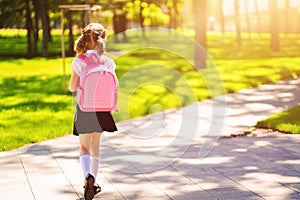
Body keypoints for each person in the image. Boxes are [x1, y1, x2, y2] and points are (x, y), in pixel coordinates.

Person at [69, 23, 118, 200]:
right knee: (96, 146)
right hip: (103, 109)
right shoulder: (109, 62)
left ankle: (87, 178)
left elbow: (72, 87)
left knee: (84, 146)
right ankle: (94, 181)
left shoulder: (79, 61)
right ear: (102, 40)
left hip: (85, 108)